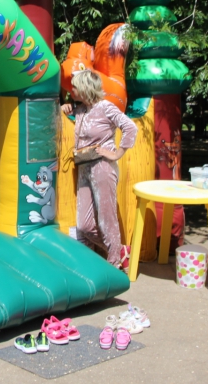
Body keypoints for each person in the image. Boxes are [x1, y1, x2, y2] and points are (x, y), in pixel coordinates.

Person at [61, 69, 138, 270]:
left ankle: (114, 264)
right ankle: (119, 251)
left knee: (106, 219)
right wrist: (65, 108)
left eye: (75, 87)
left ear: (85, 88)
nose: (71, 90)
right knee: (84, 226)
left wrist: (117, 153)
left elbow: (130, 127)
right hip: (84, 168)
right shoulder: (80, 109)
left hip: (102, 168)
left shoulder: (106, 108)